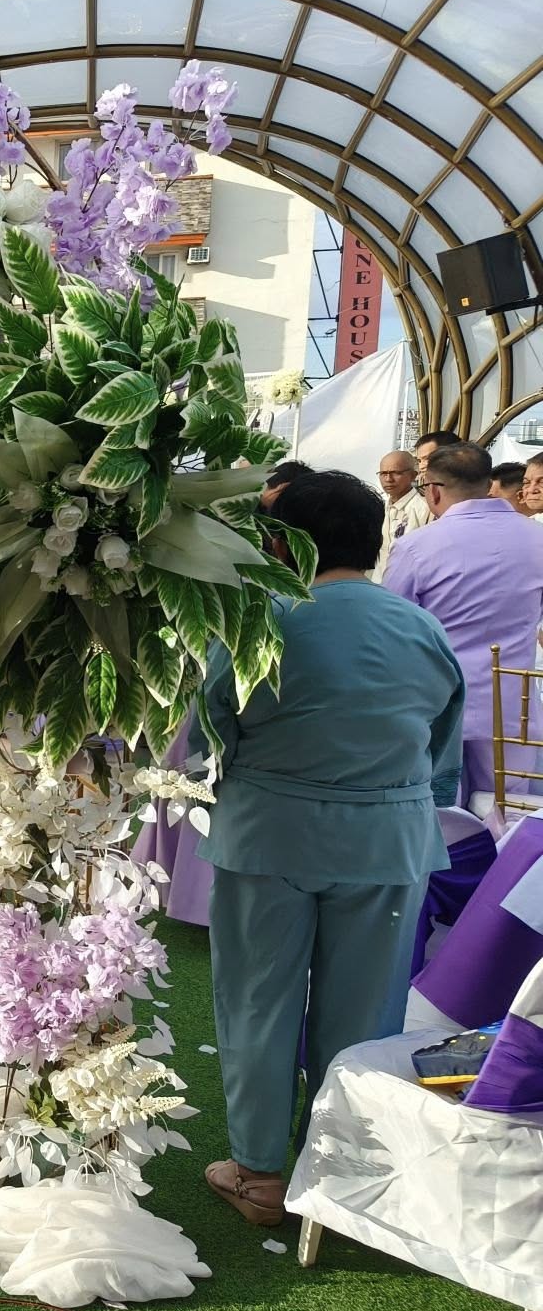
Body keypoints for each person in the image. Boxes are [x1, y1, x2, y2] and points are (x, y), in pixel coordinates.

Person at [194, 469, 464, 1226]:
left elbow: (212, 734)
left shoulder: (262, 619)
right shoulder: (420, 628)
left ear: (285, 542)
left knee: (257, 1002)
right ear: (377, 541)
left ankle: (258, 1175)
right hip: (388, 840)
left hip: (269, 834)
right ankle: (340, 1170)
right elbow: (439, 751)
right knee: (366, 1014)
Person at [385, 441, 543, 803]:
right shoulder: (537, 538)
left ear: (434, 490)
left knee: (441, 816)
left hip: (438, 698)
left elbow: (394, 625)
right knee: (508, 812)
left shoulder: (417, 546)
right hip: (511, 701)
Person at [373, 449, 431, 581]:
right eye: (383, 473)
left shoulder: (424, 508)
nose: (389, 479)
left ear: (413, 475)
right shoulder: (382, 506)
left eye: (396, 473)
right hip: (380, 584)